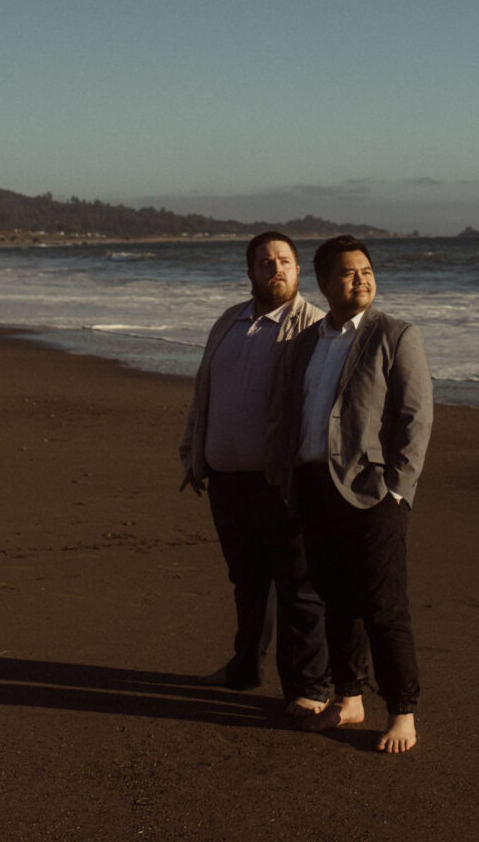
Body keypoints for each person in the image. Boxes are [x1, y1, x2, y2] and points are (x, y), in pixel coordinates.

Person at [281, 235, 433, 752]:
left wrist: (399, 490)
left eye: (366, 270)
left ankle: (403, 712)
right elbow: (292, 412)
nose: (362, 279)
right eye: (349, 273)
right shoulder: (305, 342)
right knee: (335, 601)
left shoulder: (395, 334)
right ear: (323, 283)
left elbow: (416, 418)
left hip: (372, 493)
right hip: (313, 487)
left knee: (384, 606)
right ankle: (348, 698)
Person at [179, 231, 329, 715]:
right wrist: (193, 454)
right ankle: (244, 668)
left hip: (281, 484)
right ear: (250, 272)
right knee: (247, 583)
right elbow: (205, 392)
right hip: (226, 480)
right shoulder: (228, 321)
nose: (276, 269)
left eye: (285, 261)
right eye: (266, 262)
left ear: (299, 270)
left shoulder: (314, 328)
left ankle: (308, 688)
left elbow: (322, 408)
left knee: (299, 589)